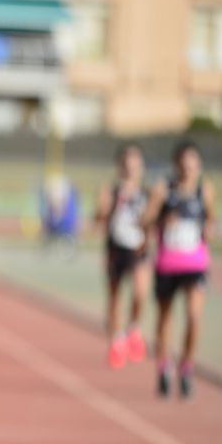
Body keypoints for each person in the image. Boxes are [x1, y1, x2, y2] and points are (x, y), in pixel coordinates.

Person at [141, 139, 216, 398]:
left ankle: (186, 365)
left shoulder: (205, 191)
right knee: (164, 319)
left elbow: (211, 220)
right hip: (168, 263)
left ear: (199, 166)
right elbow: (145, 220)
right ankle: (164, 366)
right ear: (176, 165)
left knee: (194, 318)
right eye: (183, 165)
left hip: (195, 263)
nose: (187, 170)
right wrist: (163, 220)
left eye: (192, 165)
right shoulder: (163, 190)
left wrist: (209, 230)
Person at [93, 142, 149, 368]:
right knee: (114, 299)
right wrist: (115, 203)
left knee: (140, 293)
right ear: (120, 167)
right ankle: (116, 339)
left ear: (141, 167)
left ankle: (133, 328)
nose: (130, 168)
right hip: (116, 249)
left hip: (138, 249)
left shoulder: (148, 192)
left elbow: (153, 220)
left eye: (134, 164)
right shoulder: (110, 190)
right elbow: (98, 218)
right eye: (126, 164)